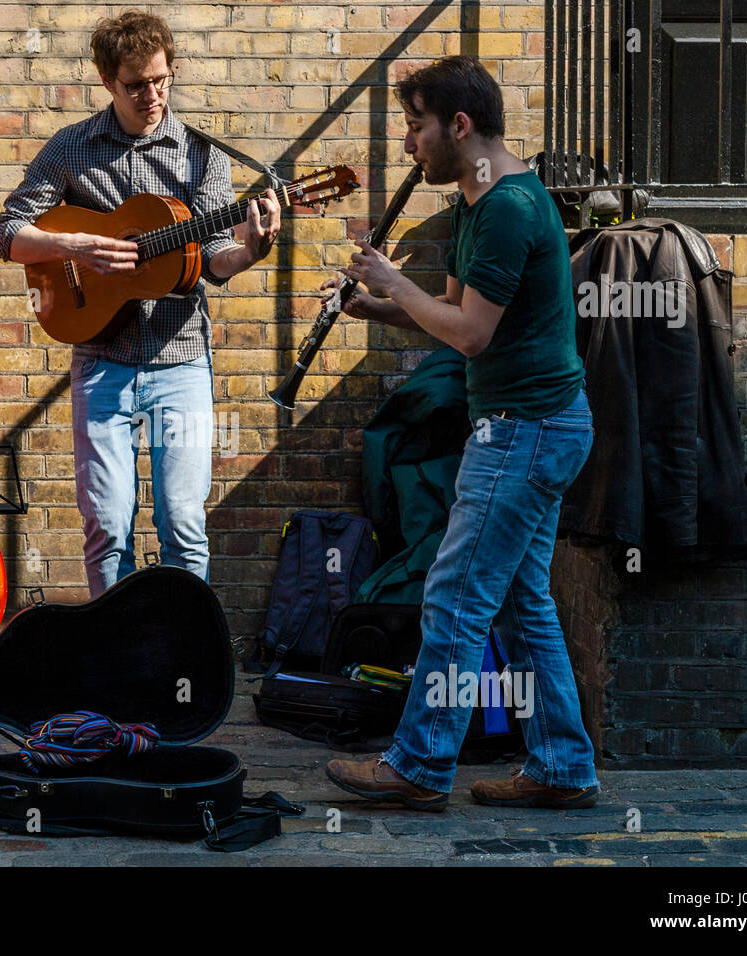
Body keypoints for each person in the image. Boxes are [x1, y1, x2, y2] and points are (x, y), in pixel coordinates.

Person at [324, 56, 600, 810]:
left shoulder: (510, 208)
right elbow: (453, 313)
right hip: (534, 427)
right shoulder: (479, 203)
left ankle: (419, 764)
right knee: (521, 602)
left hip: (526, 431)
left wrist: (396, 284)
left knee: (452, 595)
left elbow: (472, 337)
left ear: (461, 125)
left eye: (416, 127)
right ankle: (564, 765)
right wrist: (375, 306)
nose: (410, 144)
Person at [0, 10, 280, 597]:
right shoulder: (72, 149)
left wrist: (251, 248)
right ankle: (114, 663)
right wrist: (73, 245)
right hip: (101, 358)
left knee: (184, 526)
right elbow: (8, 233)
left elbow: (217, 259)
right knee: (107, 528)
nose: (152, 95)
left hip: (182, 361)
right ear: (107, 82)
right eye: (135, 85)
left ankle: (182, 658)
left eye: (161, 80)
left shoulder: (202, 154)